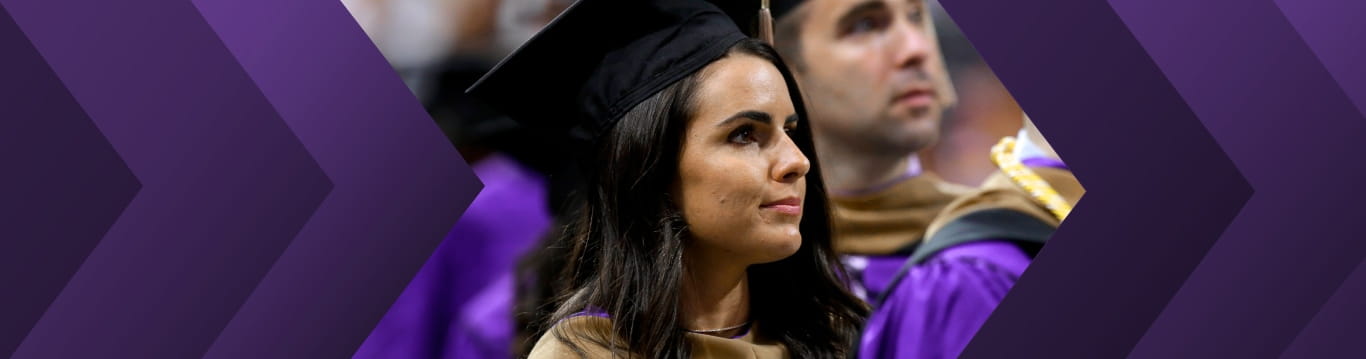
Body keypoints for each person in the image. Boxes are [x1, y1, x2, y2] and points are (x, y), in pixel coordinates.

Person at [468, 0, 868, 357]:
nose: (797, 162)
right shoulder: (583, 354)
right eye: (745, 134)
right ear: (650, 171)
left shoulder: (833, 336)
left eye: (791, 131)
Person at [768, 0, 1084, 357]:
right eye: (864, 25)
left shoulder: (992, 252)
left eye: (917, 16)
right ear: (781, 67)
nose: (916, 48)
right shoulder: (744, 279)